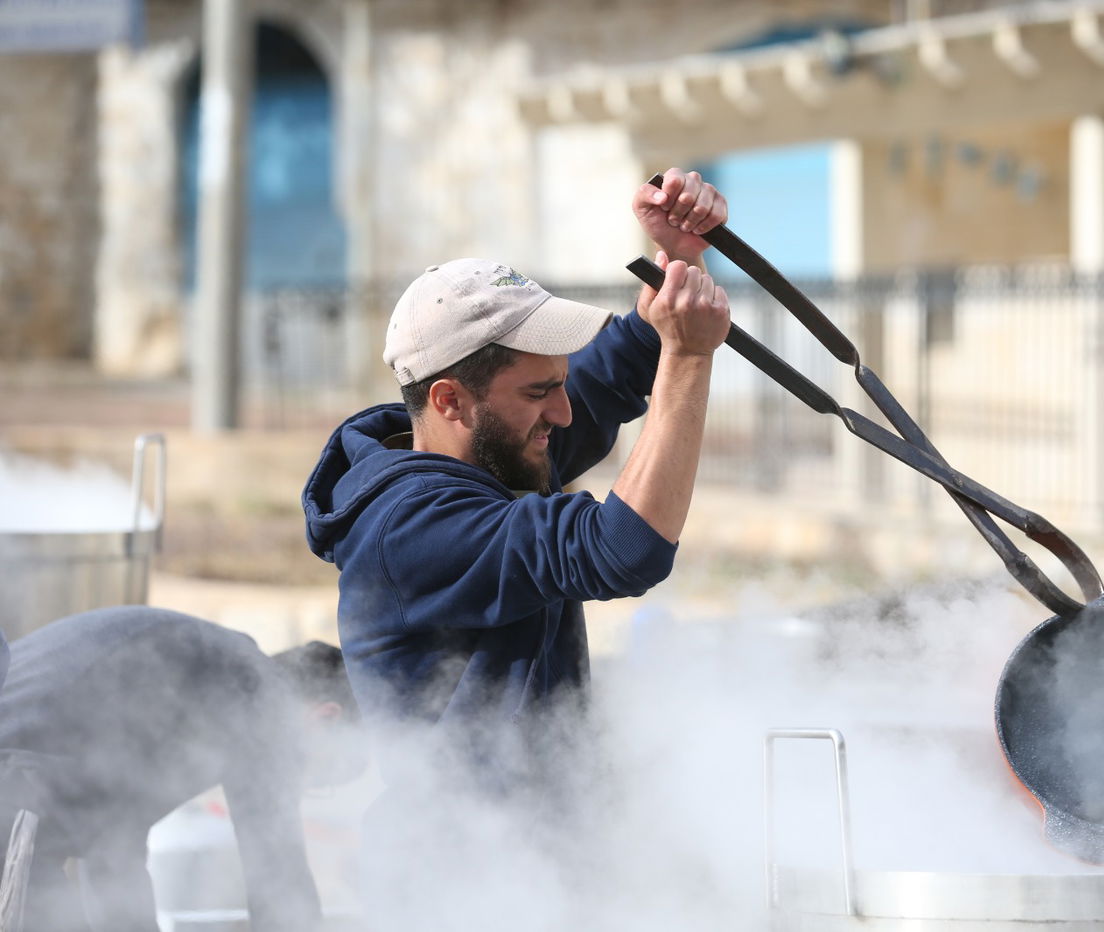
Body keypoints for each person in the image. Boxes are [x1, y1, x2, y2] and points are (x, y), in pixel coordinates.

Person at [301, 168, 731, 919]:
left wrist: (679, 258)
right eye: (539, 393)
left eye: (556, 385)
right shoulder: (414, 526)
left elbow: (613, 374)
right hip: (456, 891)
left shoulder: (490, 455)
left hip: (530, 872)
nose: (563, 414)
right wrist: (689, 360)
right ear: (450, 400)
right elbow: (622, 549)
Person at [0, 605, 364, 932]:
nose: (302, 784)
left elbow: (113, 852)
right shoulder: (263, 698)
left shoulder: (214, 679)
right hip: (16, 793)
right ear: (326, 718)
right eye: (324, 776)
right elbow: (280, 884)